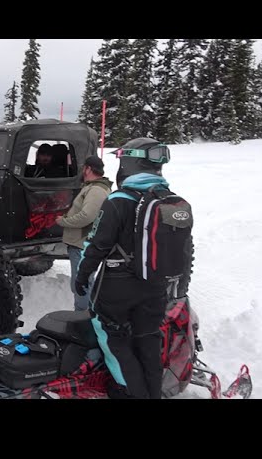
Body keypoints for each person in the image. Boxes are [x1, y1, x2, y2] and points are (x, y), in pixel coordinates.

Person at [75, 137, 172, 399]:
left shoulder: (118, 200)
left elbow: (96, 244)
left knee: (113, 340)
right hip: (155, 286)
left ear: (129, 164)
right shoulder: (169, 201)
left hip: (117, 287)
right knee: (148, 340)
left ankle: (128, 392)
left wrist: (82, 274)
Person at [55, 156, 112, 311]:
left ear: (88, 169)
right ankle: (88, 314)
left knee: (81, 283)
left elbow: (87, 216)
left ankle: (82, 317)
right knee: (84, 281)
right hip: (81, 243)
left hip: (82, 244)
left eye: (83, 168)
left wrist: (64, 221)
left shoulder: (96, 190)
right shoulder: (93, 187)